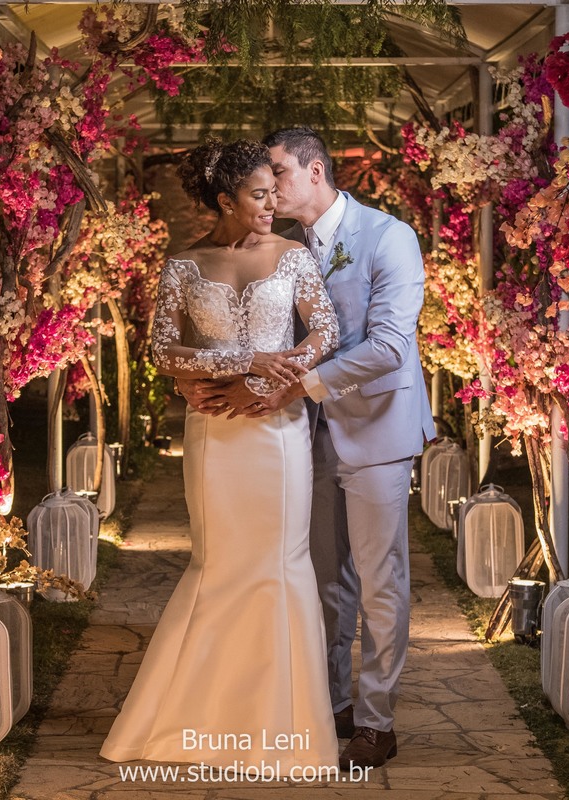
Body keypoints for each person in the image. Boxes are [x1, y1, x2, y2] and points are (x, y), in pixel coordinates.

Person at [180, 127, 436, 771]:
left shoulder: (389, 237)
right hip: (301, 438)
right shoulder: (284, 248)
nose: (268, 188)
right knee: (324, 578)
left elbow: (389, 347)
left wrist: (300, 389)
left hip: (375, 430)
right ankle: (330, 703)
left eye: (279, 173)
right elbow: (264, 328)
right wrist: (205, 380)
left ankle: (377, 721)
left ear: (315, 171)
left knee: (381, 582)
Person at [100, 138, 340, 773]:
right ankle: (193, 724)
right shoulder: (183, 266)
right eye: (259, 195)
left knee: (282, 566)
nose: (272, 204)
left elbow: (326, 332)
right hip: (214, 437)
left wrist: (267, 382)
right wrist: (243, 361)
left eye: (273, 192)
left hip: (277, 429)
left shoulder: (294, 256)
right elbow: (163, 351)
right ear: (225, 199)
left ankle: (289, 731)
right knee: (218, 565)